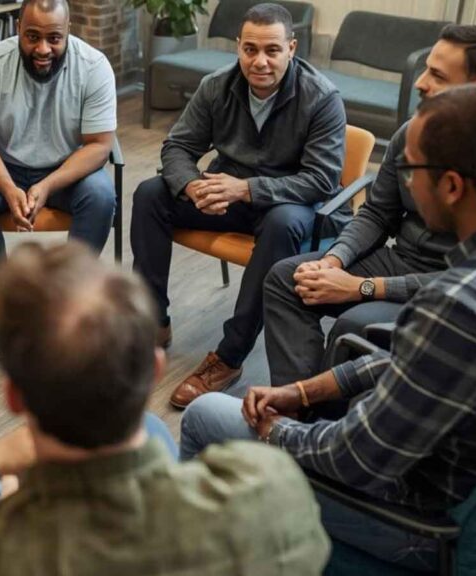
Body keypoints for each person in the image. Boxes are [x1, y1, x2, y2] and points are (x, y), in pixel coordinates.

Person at [181, 85, 476, 570]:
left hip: (422, 525)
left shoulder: (459, 306)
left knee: (206, 416)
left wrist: (278, 432)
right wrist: (308, 391)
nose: (405, 184)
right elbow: (422, 365)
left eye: (411, 171)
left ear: (453, 186)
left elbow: (357, 459)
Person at [0, 242, 330, 576]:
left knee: (0, 486)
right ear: (155, 371)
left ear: (13, 395)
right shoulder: (271, 492)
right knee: (152, 434)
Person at [263, 24, 476, 386]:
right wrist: (333, 260)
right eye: (426, 68)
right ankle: (297, 409)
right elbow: (377, 211)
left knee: (357, 324)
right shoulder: (412, 133)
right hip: (400, 259)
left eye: (438, 75)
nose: (420, 82)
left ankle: (326, 420)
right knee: (289, 280)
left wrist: (361, 287)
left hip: (454, 285)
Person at [130, 3, 346, 408]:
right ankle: (152, 322)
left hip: (287, 202)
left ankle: (229, 357)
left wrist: (246, 189)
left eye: (271, 50)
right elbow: (177, 145)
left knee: (283, 224)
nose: (259, 61)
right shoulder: (216, 86)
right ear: (238, 47)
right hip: (225, 195)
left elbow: (321, 179)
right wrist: (193, 186)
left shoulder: (322, 99)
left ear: (292, 48)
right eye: (250, 49)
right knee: (150, 194)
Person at [0, 0, 117, 341]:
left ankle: (68, 305)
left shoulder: (94, 67)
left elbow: (100, 145)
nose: (43, 49)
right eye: (32, 36)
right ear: (17, 30)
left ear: (69, 31)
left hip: (68, 170)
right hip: (4, 167)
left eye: (54, 38)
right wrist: (10, 188)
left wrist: (48, 185)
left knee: (101, 195)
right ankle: (8, 307)